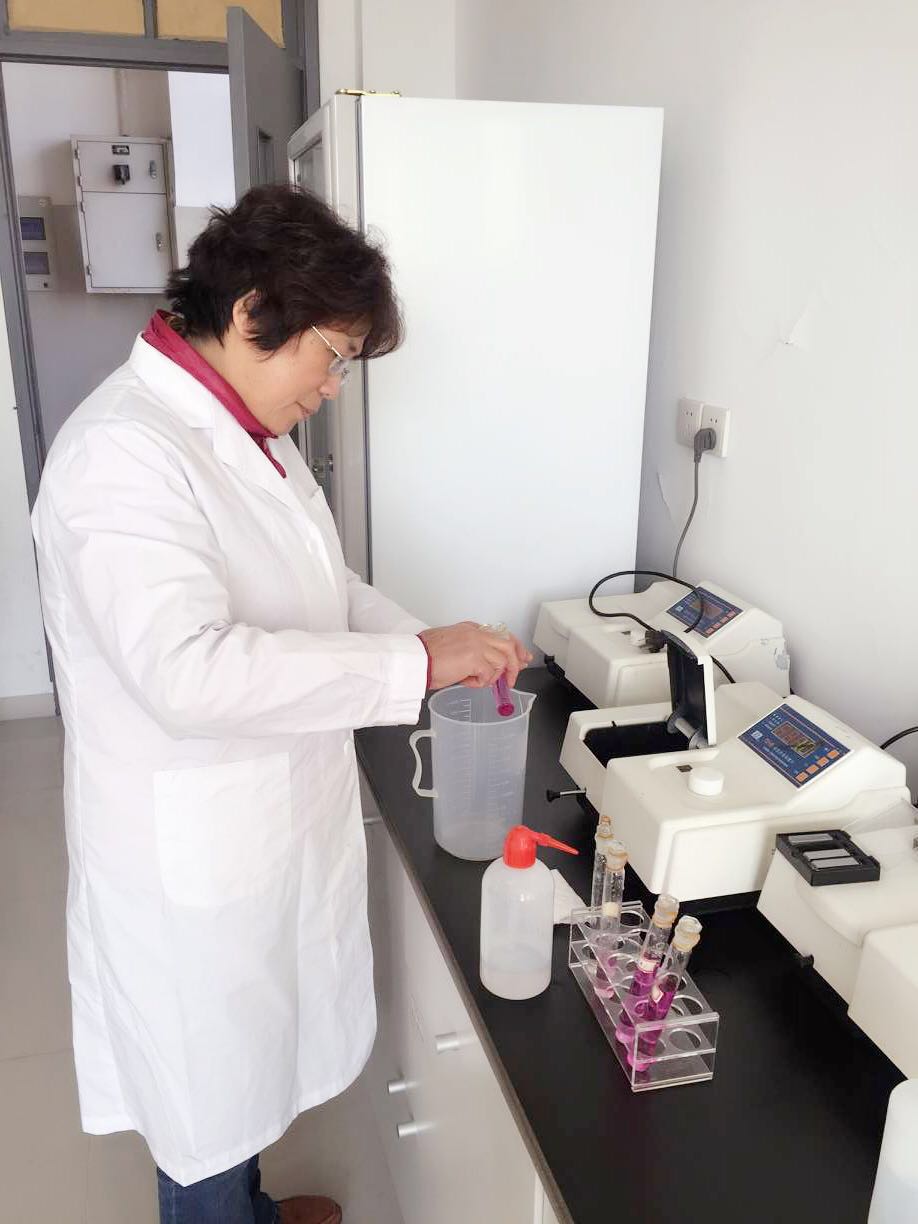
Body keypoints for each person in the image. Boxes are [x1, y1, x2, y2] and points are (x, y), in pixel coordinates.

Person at [31, 184, 530, 1224]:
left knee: (241, 1069)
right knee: (204, 1096)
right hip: (189, 848)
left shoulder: (245, 431)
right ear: (255, 309)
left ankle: (249, 1210)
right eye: (334, 356)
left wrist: (433, 647)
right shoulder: (121, 453)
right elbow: (189, 673)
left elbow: (320, 586)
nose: (334, 387)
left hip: (263, 817)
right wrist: (411, 666)